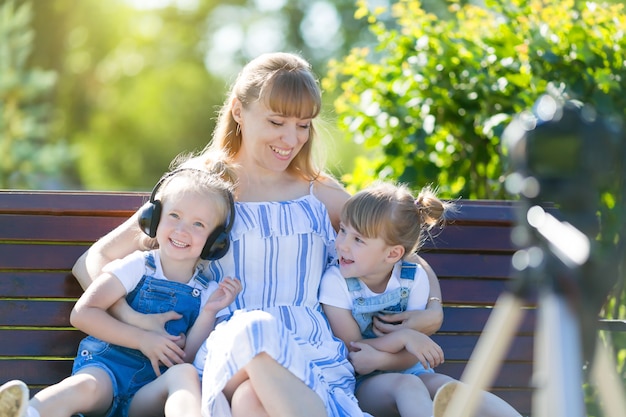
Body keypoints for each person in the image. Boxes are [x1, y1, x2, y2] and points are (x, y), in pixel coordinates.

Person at [70, 52, 444, 417]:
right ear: (238, 111)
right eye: (277, 121)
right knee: (254, 329)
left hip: (310, 354)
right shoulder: (201, 186)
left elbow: (398, 250)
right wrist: (132, 320)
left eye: (303, 125)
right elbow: (93, 261)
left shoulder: (320, 194)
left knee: (252, 399)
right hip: (227, 346)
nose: (291, 138)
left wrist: (432, 312)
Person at [0, 167, 242, 417]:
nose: (182, 230)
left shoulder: (206, 291)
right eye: (174, 215)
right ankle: (28, 412)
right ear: (154, 218)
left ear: (215, 241)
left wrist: (210, 311)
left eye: (199, 224)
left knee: (185, 374)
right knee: (84, 387)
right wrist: (142, 339)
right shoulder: (137, 266)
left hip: (147, 394)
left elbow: (185, 357)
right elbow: (83, 314)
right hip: (106, 371)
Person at [320, 182, 523, 417]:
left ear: (393, 254)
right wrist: (405, 337)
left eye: (358, 240)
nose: (342, 244)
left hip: (408, 369)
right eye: (343, 230)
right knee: (408, 386)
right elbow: (356, 352)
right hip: (363, 384)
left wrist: (388, 356)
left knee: (449, 387)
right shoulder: (336, 283)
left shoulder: (412, 279)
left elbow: (414, 353)